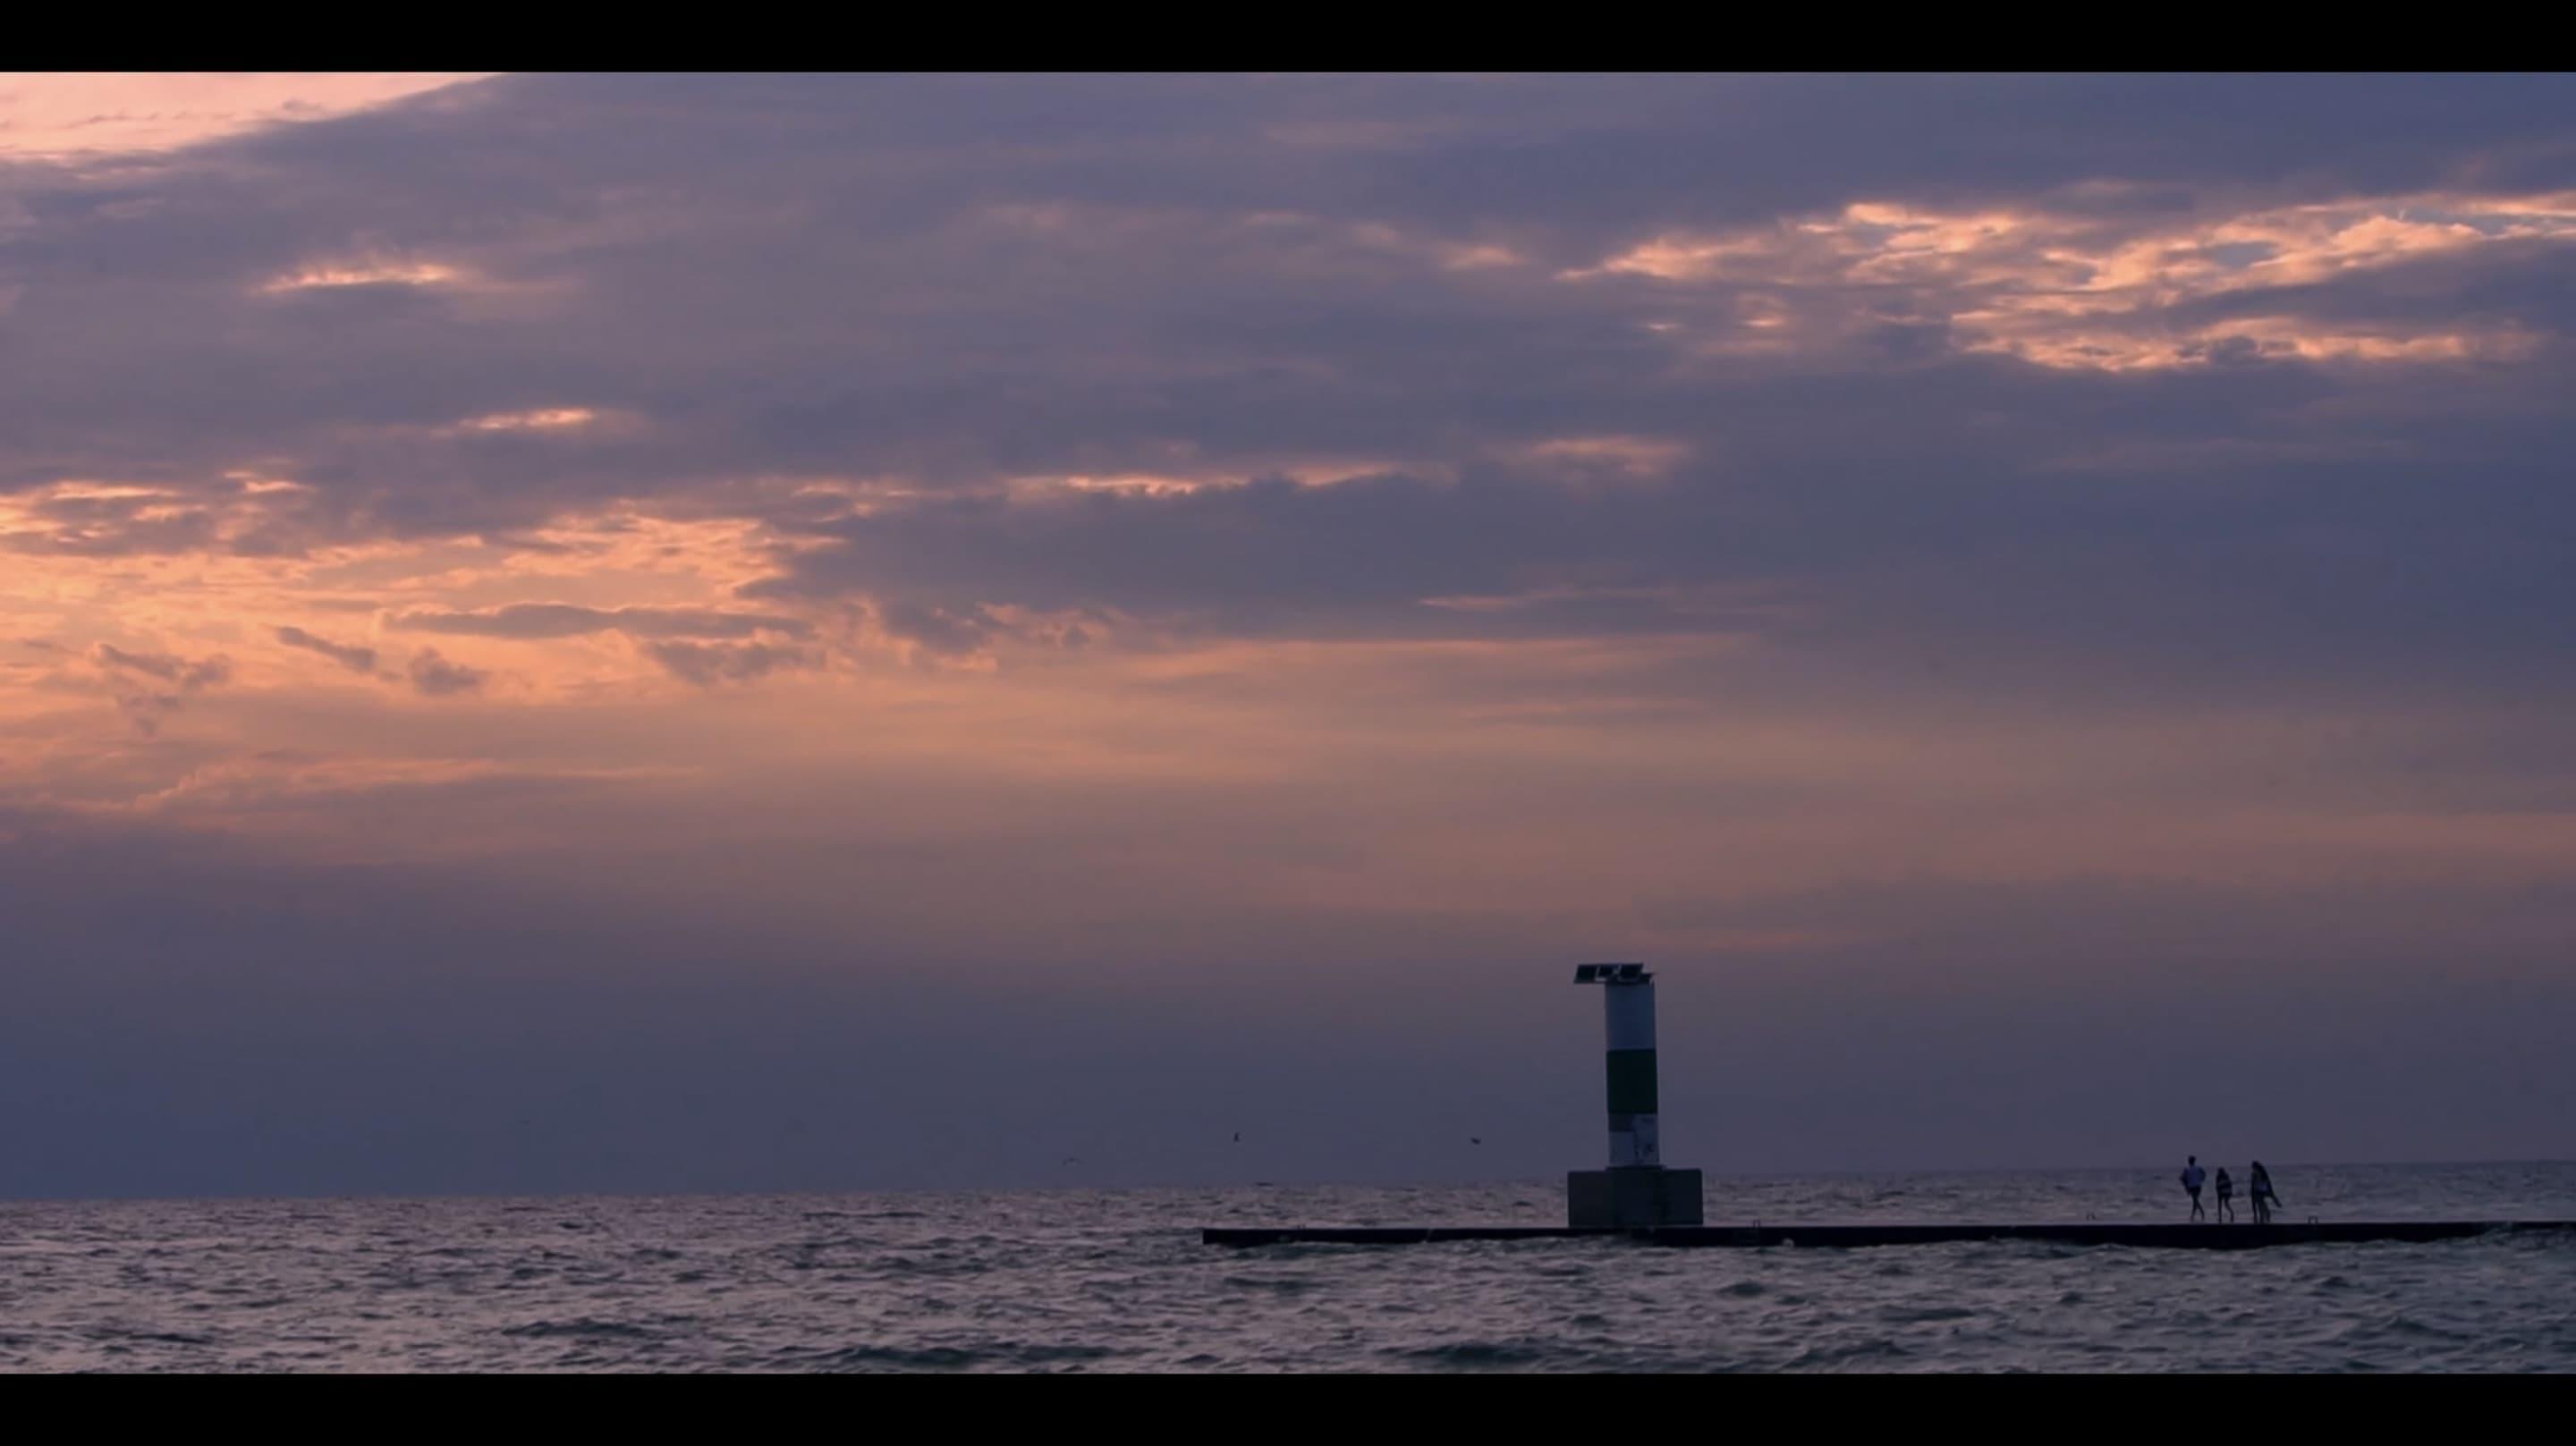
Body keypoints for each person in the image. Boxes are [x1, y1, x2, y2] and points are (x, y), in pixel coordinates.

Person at [2250, 1161, 2281, 1225]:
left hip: (2257, 1190)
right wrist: (2271, 1191)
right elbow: (2268, 1182)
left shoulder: (2255, 1173)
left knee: (2260, 1204)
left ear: (2254, 1167)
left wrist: (2252, 1191)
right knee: (2262, 1203)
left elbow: (2253, 1184)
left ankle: (2262, 1218)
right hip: (2263, 1190)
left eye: (2252, 1167)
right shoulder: (2263, 1172)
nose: (2252, 1168)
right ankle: (2266, 1214)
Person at [2181, 1155, 2207, 1221]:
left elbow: (2183, 1178)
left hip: (2192, 1187)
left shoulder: (2186, 1169)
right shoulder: (2198, 1168)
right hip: (2198, 1186)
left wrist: (2185, 1184)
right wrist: (2201, 1179)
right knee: (2195, 1201)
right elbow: (2204, 1173)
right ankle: (2193, 1215)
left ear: (2189, 1161)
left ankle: (2202, 1212)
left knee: (2195, 1200)